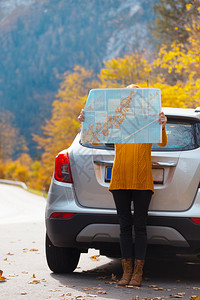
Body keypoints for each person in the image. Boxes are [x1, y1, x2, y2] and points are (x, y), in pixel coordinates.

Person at [78, 84, 167, 287]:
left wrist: (162, 124)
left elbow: (161, 142)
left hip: (142, 180)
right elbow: (95, 132)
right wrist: (86, 121)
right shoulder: (117, 121)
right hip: (120, 179)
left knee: (140, 226)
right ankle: (125, 273)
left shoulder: (148, 120)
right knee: (124, 227)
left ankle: (138, 274)